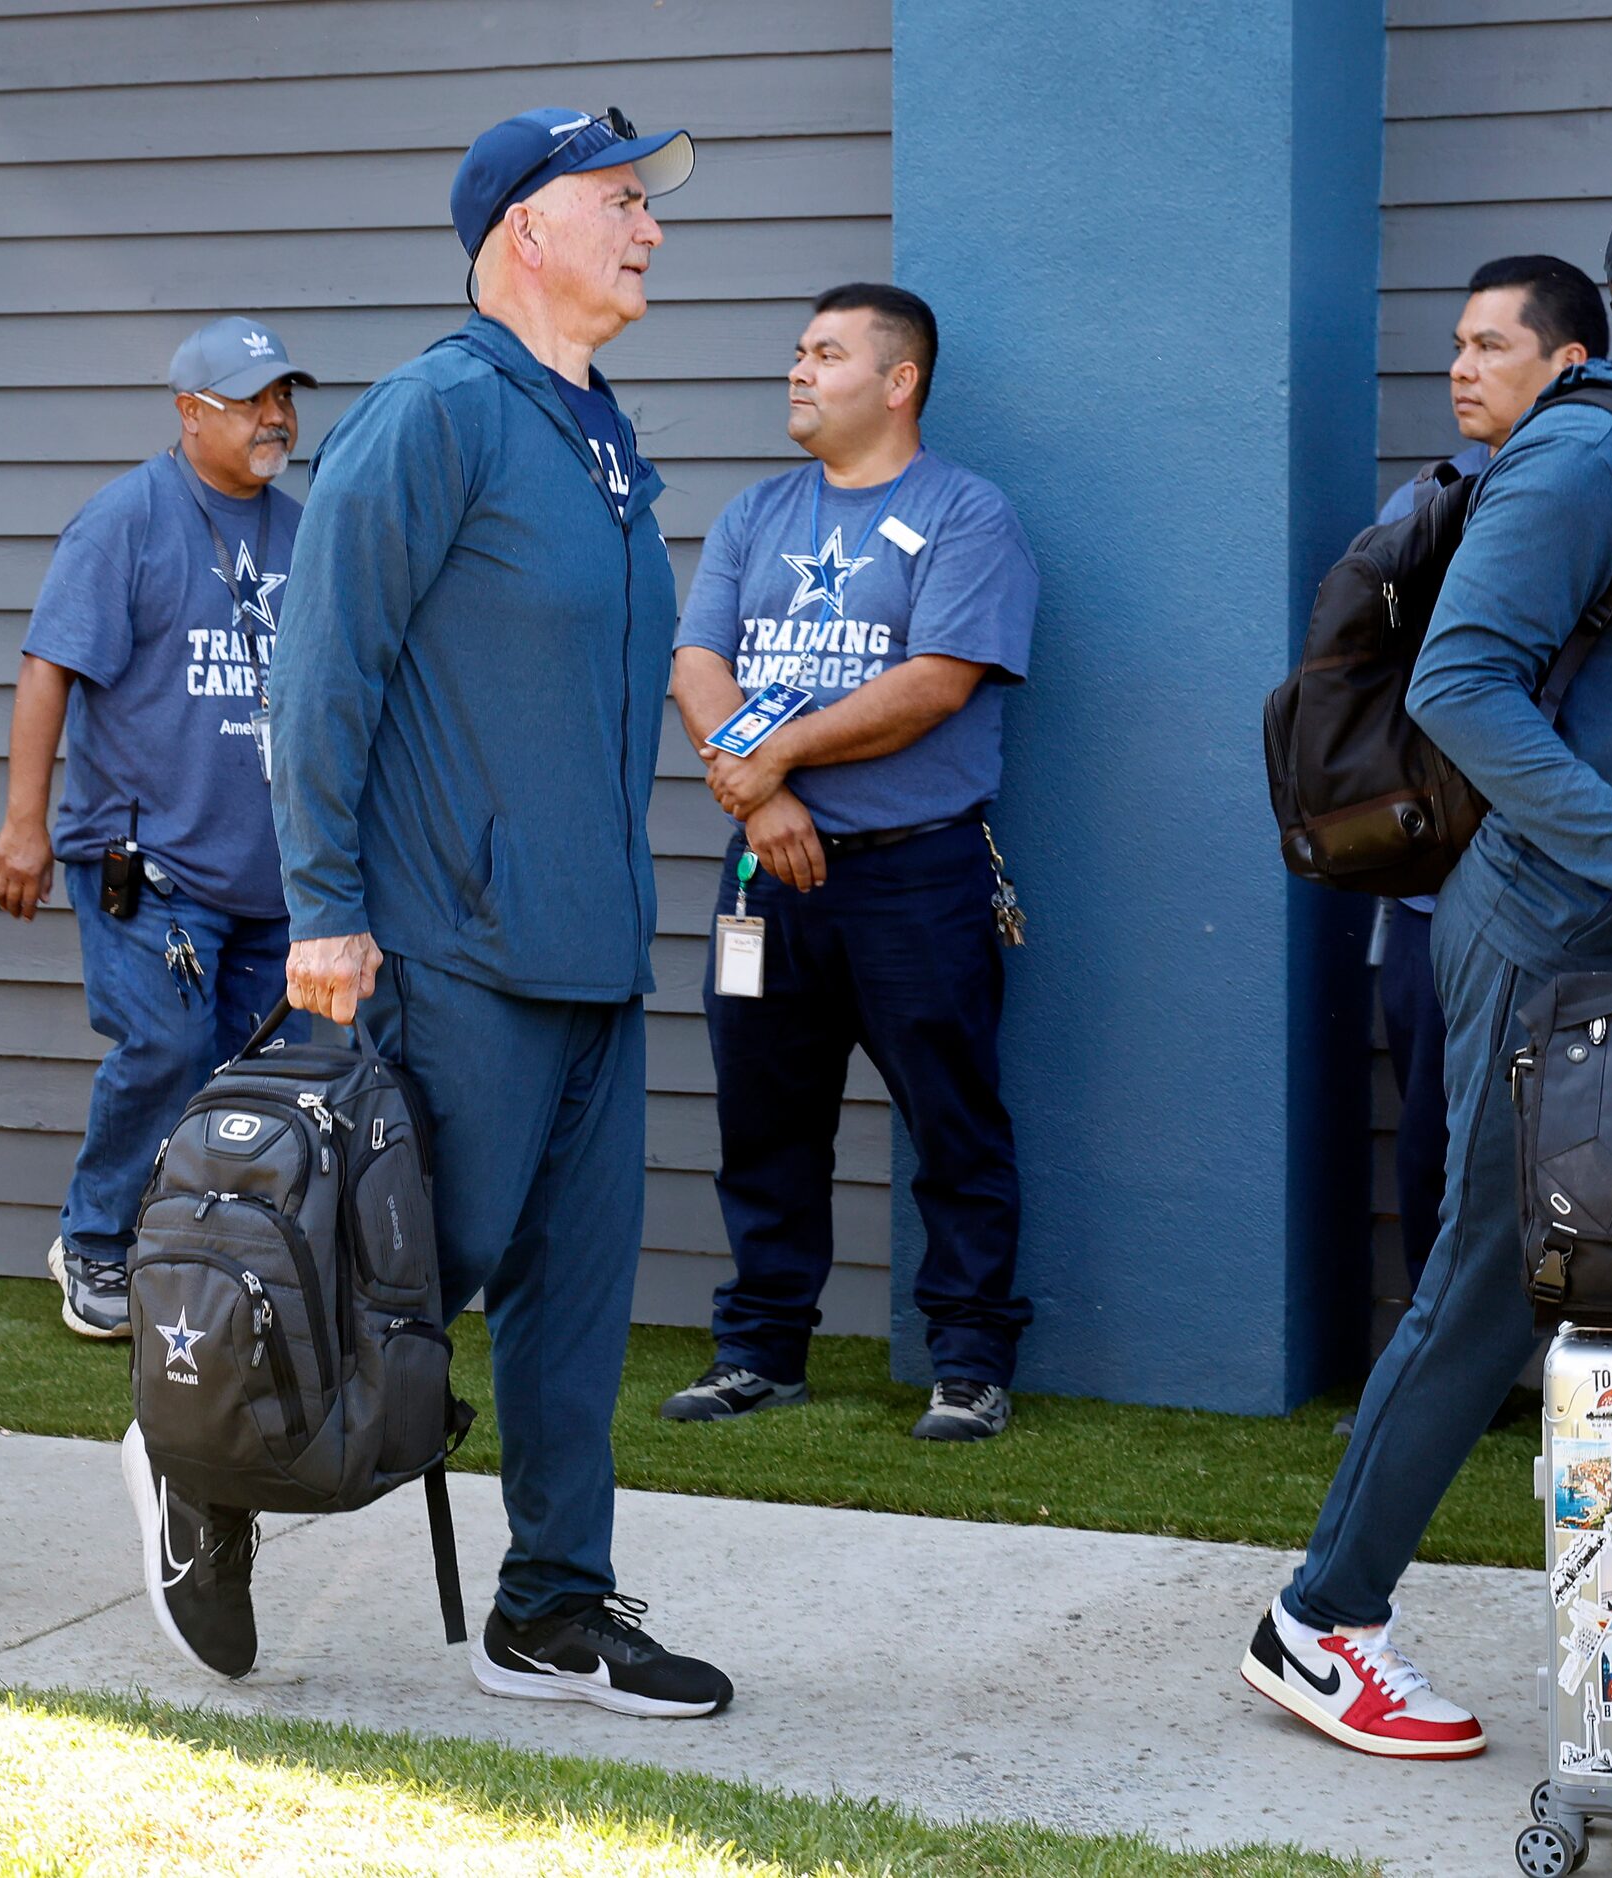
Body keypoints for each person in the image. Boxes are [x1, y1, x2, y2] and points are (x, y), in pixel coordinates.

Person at [1239, 163, 1612, 1757]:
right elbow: (1461, 682)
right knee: (1491, 1283)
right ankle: (1319, 1619)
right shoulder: (1591, 451)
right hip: (1564, 945)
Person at [254, 105, 732, 1718]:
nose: (648, 229)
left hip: (595, 952)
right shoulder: (434, 415)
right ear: (521, 230)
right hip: (450, 944)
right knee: (403, 1281)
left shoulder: (601, 435)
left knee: (576, 1302)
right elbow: (319, 670)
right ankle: (202, 1455)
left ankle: (552, 1606)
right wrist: (322, 905)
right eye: (618, 201)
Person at [656, 283, 1038, 1441]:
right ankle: (759, 1352)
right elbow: (696, 661)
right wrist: (758, 792)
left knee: (953, 1121)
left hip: (915, 876)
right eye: (797, 351)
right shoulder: (754, 514)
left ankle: (968, 1362)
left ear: (898, 380)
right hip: (765, 875)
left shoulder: (968, 515)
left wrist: (766, 770)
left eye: (825, 353)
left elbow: (934, 682)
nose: (798, 370)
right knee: (764, 1120)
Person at [0, 316, 316, 1339]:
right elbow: (49, 669)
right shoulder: (126, 519)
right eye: (253, 401)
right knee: (165, 1042)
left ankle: (209, 1254)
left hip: (270, 874)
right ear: (190, 412)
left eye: (284, 399)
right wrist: (23, 827)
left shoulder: (305, 530)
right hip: (150, 866)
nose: (277, 418)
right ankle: (93, 1241)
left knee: (261, 1072)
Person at [1369, 257, 1608, 1318]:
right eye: (1458, 346)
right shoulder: (1424, 501)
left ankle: (1598, 1381)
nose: (1459, 370)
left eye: (1489, 347)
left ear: (1571, 365)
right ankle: (1440, 1371)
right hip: (1433, 897)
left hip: (1583, 891)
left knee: (1601, 1148)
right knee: (1438, 1149)